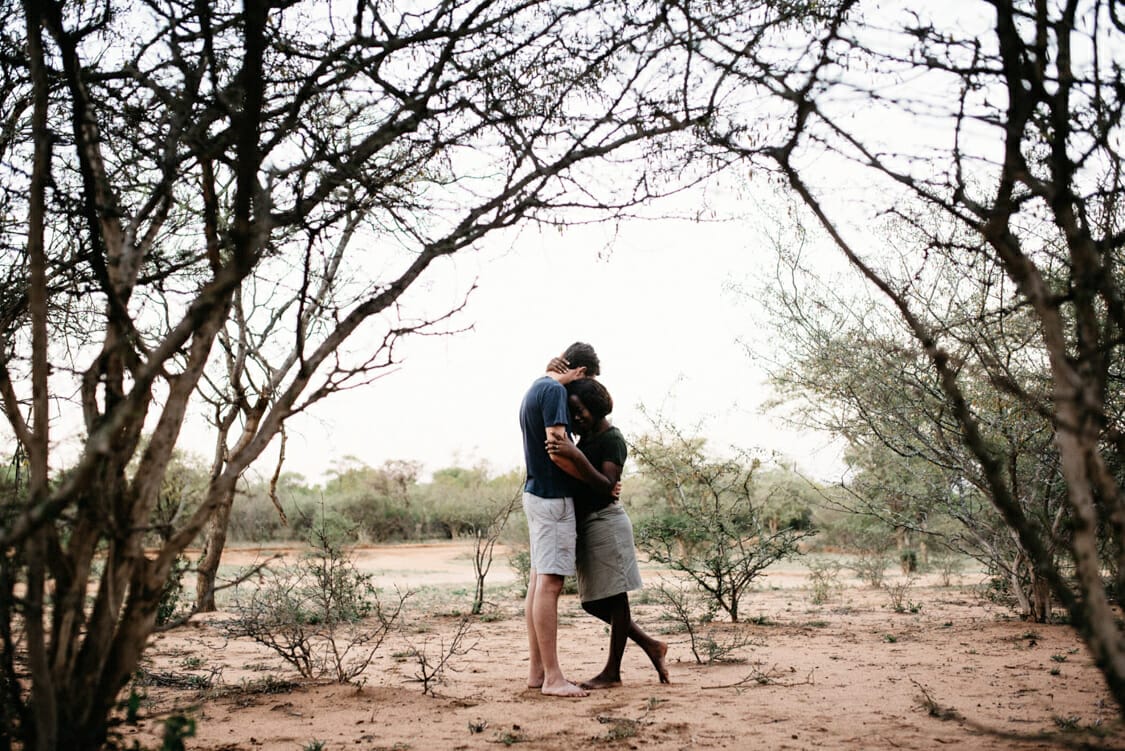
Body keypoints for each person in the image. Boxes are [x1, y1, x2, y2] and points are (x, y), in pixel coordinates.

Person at [546, 378, 670, 689]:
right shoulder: (585, 437)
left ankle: (612, 672)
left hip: (606, 522)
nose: (577, 417)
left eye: (581, 410)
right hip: (589, 524)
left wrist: (575, 455)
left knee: (616, 599)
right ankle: (651, 645)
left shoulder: (612, 438)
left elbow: (606, 485)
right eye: (573, 412)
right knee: (591, 603)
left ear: (597, 407)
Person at [518, 342, 612, 697]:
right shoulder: (555, 392)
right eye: (587, 381)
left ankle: (538, 671)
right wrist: (594, 483)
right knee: (551, 584)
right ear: (581, 372)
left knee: (538, 581)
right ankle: (554, 678)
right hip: (552, 498)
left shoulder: (536, 387)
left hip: (536, 494)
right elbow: (557, 449)